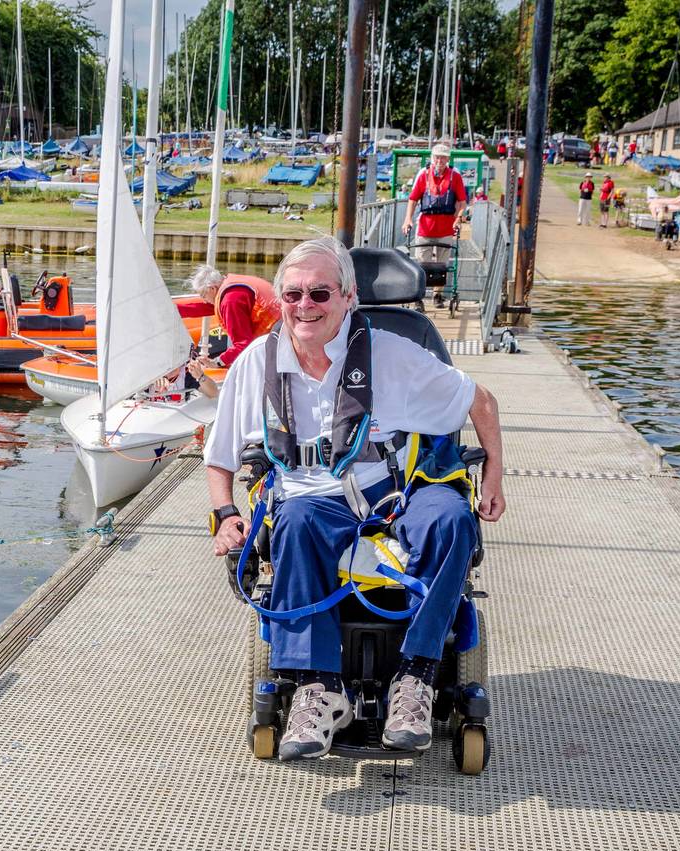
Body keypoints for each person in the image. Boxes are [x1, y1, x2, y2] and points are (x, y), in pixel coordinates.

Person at [205, 236, 506, 760]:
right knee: (295, 520)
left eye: (320, 294)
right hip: (311, 500)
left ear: (347, 298)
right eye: (294, 294)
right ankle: (320, 689)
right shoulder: (258, 362)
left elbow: (481, 401)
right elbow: (220, 454)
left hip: (397, 491)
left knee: (452, 518)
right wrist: (226, 513)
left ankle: (415, 678)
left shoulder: (392, 353)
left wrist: (496, 474)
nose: (306, 306)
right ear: (279, 300)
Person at [400, 142, 467, 267]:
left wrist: (458, 219)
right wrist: (407, 219)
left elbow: (463, 203)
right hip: (425, 228)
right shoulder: (423, 175)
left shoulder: (455, 176)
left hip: (446, 228)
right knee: (422, 266)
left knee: (442, 267)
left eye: (443, 157)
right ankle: (423, 287)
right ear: (432, 158)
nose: (439, 160)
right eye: (437, 157)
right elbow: (413, 199)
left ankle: (438, 287)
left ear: (448, 159)